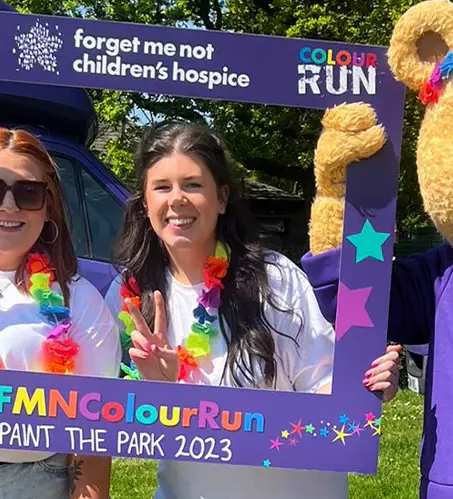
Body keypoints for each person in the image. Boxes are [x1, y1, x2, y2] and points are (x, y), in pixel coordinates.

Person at [104, 121, 400, 499]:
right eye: (162, 187)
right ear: (145, 203)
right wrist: (161, 392)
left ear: (222, 198)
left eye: (192, 185)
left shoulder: (275, 279)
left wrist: (363, 390)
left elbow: (325, 385)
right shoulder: (130, 296)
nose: (177, 199)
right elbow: (106, 418)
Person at [0, 128, 121, 499]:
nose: (9, 206)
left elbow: (97, 425)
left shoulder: (79, 300)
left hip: (35, 480)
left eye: (28, 192)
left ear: (48, 207)